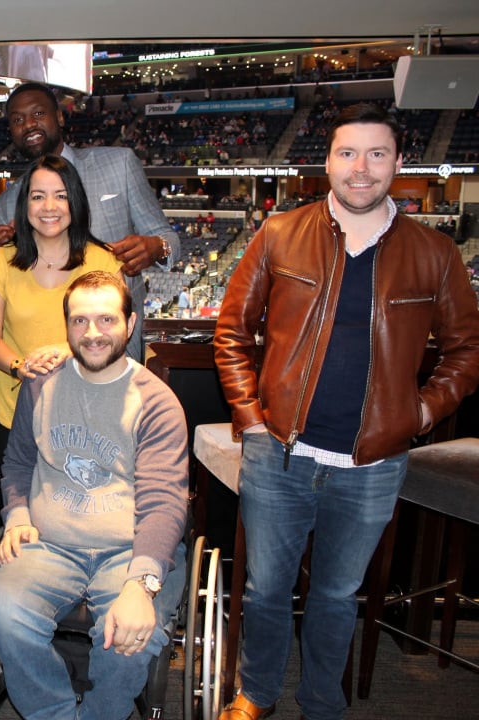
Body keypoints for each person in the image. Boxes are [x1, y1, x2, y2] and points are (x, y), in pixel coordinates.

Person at [213, 103, 479, 720]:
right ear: (327, 162)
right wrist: (251, 419)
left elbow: (467, 352)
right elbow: (232, 332)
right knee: (266, 590)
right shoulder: (280, 233)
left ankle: (322, 703)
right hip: (279, 449)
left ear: (399, 163)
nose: (361, 169)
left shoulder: (434, 252)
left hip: (373, 464)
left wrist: (417, 415)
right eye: (348, 154)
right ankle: (255, 695)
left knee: (337, 595)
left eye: (377, 154)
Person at [0, 271, 188, 720]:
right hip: (49, 543)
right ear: (67, 326)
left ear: (130, 325)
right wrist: (16, 515)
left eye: (107, 319)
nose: (93, 333)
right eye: (80, 321)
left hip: (128, 549)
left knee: (131, 634)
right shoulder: (41, 384)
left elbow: (164, 502)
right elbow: (17, 463)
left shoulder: (157, 402)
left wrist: (142, 583)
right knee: (1, 615)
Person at [0, 82, 180, 364]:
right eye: (18, 120)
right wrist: (1, 251)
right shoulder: (7, 204)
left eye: (38, 113)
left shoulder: (119, 164)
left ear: (60, 116)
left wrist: (156, 248)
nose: (29, 124)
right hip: (47, 358)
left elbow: (169, 240)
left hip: (116, 349)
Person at [0, 154, 122, 477]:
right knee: (20, 510)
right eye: (38, 196)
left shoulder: (104, 263)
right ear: (25, 205)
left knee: (75, 508)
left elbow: (116, 334)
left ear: (75, 202)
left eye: (60, 195)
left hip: (86, 411)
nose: (49, 207)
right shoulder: (1, 262)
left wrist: (68, 351)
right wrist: (20, 367)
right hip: (12, 410)